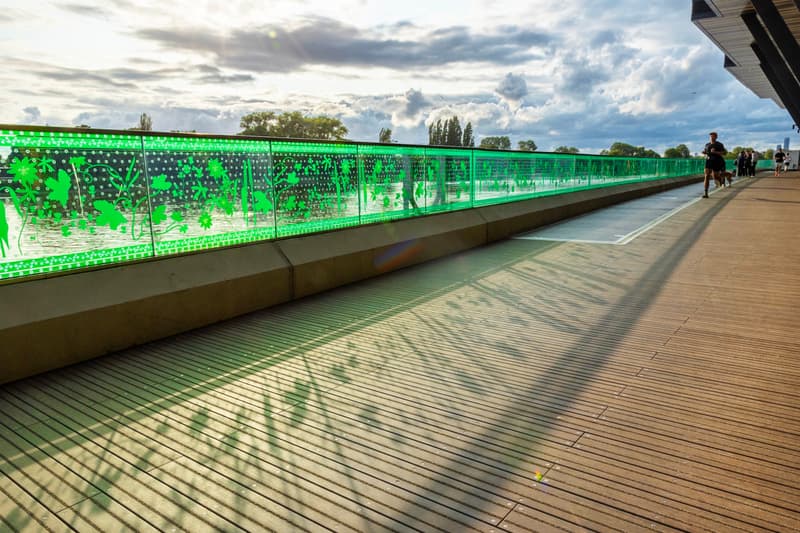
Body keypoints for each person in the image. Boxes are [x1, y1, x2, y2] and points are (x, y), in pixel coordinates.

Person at [701, 131, 727, 198]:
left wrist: (715, 152)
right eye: (711, 136)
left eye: (713, 136)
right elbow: (706, 152)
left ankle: (720, 180)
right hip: (709, 161)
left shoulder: (719, 144)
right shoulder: (707, 145)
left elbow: (724, 153)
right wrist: (704, 153)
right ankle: (706, 193)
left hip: (717, 161)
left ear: (716, 137)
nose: (712, 137)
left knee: (715, 176)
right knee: (706, 175)